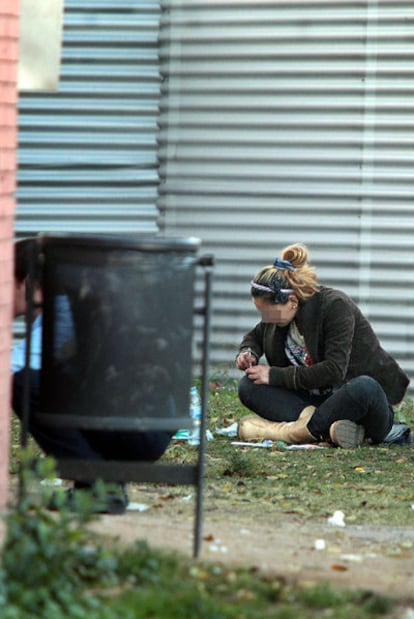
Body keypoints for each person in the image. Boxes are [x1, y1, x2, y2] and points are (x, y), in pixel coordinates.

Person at [11, 238, 172, 513]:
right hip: (154, 422)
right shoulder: (84, 306)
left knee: (22, 384)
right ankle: (93, 486)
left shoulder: (60, 320)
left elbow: (10, 371)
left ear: (34, 288)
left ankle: (100, 486)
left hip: (132, 431)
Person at [235, 243, 410, 448]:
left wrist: (275, 375)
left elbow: (334, 370)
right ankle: (332, 430)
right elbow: (256, 336)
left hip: (356, 402)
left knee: (366, 387)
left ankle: (291, 433)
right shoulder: (278, 319)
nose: (264, 318)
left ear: (292, 300)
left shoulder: (335, 306)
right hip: (315, 404)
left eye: (268, 312)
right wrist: (248, 352)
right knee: (249, 386)